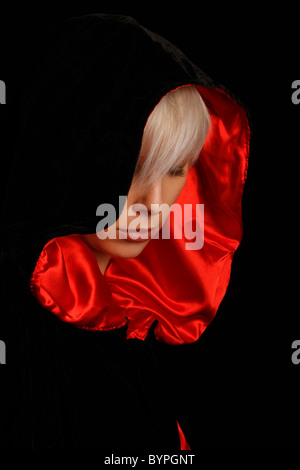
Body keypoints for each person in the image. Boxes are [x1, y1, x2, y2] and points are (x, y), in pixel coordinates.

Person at [0, 14, 250, 450]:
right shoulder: (20, 328)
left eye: (174, 169)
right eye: (131, 167)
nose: (155, 205)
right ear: (70, 154)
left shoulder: (134, 322)